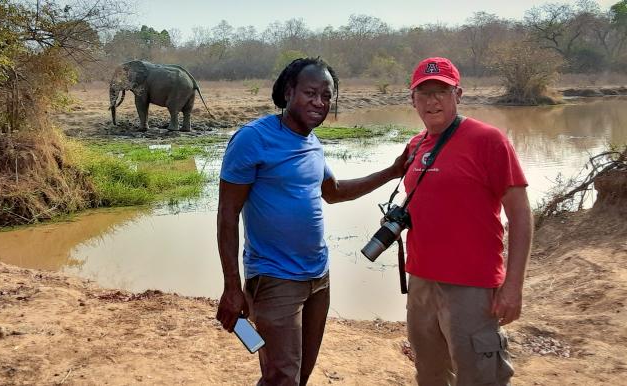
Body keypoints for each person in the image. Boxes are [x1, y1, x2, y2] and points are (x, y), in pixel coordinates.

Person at [216, 57, 408, 386]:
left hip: (319, 278)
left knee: (300, 374)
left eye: (327, 95)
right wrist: (232, 286)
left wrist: (392, 171)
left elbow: (334, 192)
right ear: (289, 92)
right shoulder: (253, 139)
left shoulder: (312, 142)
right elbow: (227, 214)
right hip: (275, 280)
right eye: (311, 93)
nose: (319, 102)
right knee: (282, 377)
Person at [401, 57, 533, 385]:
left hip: (472, 288)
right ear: (412, 99)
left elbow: (520, 214)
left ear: (458, 94)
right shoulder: (414, 146)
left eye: (442, 92)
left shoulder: (488, 140)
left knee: (480, 377)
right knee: (430, 374)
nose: (432, 101)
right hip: (421, 284)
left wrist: (513, 287)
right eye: (424, 92)